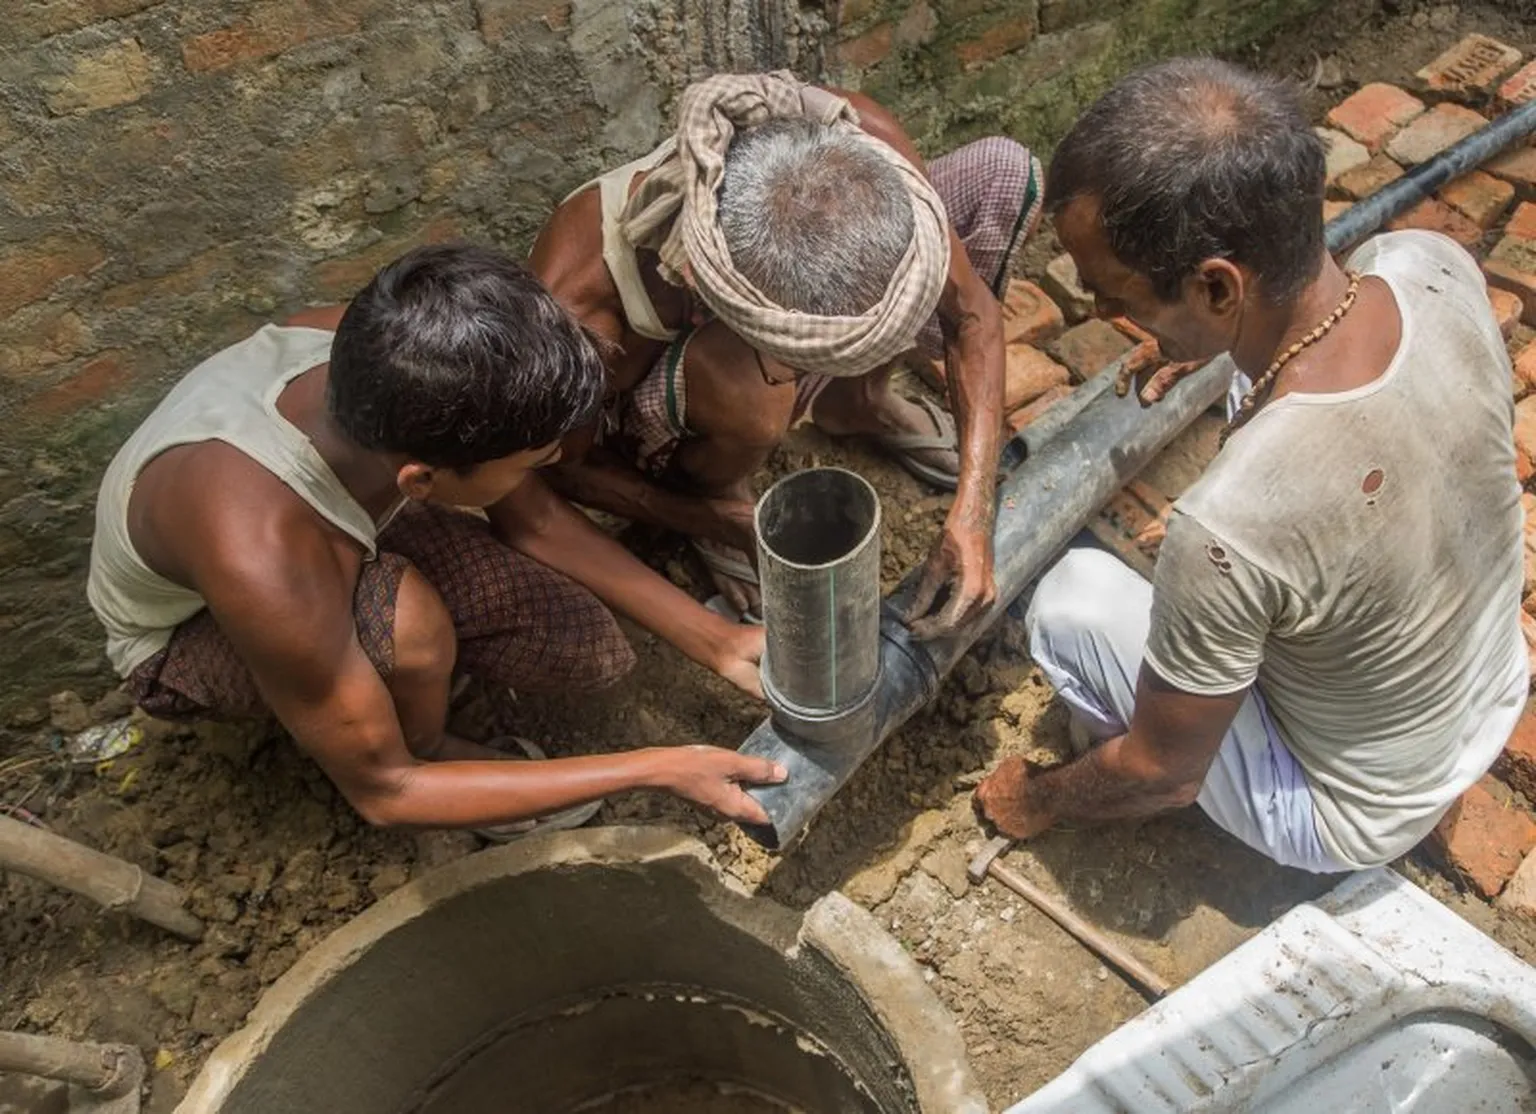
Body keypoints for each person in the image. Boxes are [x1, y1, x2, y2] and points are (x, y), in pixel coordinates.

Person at [976, 58, 1527, 873]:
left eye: (1116, 295)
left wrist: (1039, 799)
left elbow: (1164, 774)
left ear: (1217, 288)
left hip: (1352, 811)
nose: (1102, 316)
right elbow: (1311, 341)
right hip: (1488, 689)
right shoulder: (1428, 265)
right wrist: (1211, 350)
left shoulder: (1229, 525)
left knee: (1070, 603)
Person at [87, 243, 785, 835]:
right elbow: (385, 793)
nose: (548, 468)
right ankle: (437, 745)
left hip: (337, 527)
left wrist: (714, 640)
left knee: (580, 647)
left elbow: (534, 520)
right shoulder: (259, 551)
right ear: (420, 481)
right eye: (532, 460)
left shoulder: (393, 367)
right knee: (413, 627)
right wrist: (663, 767)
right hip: (185, 636)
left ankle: (411, 682)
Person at [531, 70, 1044, 632]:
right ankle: (717, 478)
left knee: (1004, 174)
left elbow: (970, 311)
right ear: (703, 290)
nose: (800, 376)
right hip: (664, 401)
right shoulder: (582, 325)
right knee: (749, 390)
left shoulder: (846, 131)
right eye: (804, 364)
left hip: (743, 339)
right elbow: (558, 472)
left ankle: (859, 400)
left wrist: (974, 510)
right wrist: (707, 519)